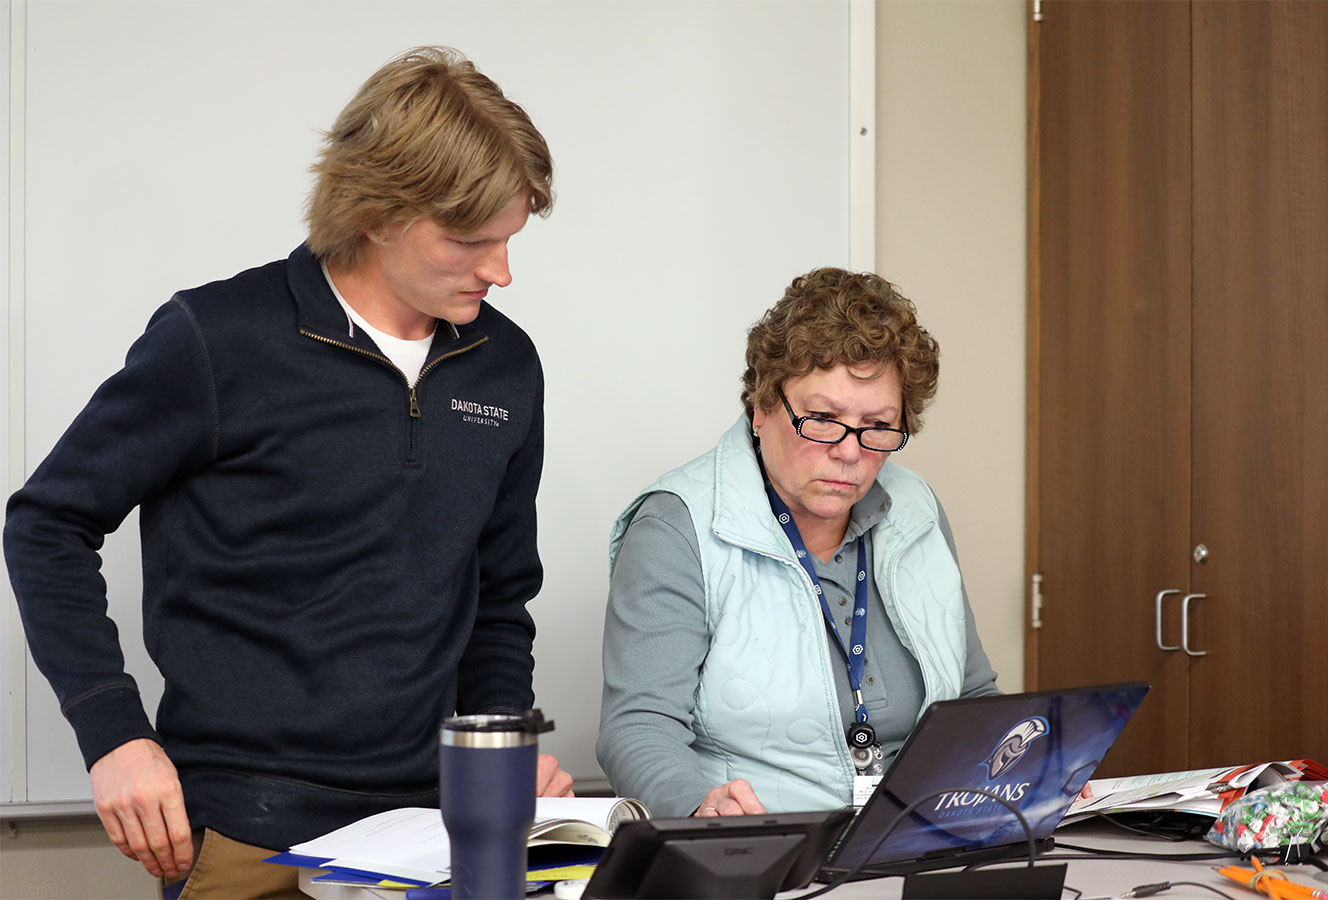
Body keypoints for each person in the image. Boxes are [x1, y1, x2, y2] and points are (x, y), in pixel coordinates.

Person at [4, 46, 572, 896]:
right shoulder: (217, 338)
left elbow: (498, 594)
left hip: (431, 832)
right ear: (378, 212)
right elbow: (47, 523)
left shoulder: (505, 363)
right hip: (245, 828)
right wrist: (112, 733)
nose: (501, 271)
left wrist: (501, 754)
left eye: (509, 238)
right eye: (470, 240)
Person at [597, 268, 1001, 818]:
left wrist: (1037, 766)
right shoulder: (677, 525)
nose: (850, 452)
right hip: (766, 846)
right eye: (823, 419)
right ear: (763, 409)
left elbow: (973, 699)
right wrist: (696, 807)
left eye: (878, 425)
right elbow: (640, 725)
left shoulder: (916, 509)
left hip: (920, 836)